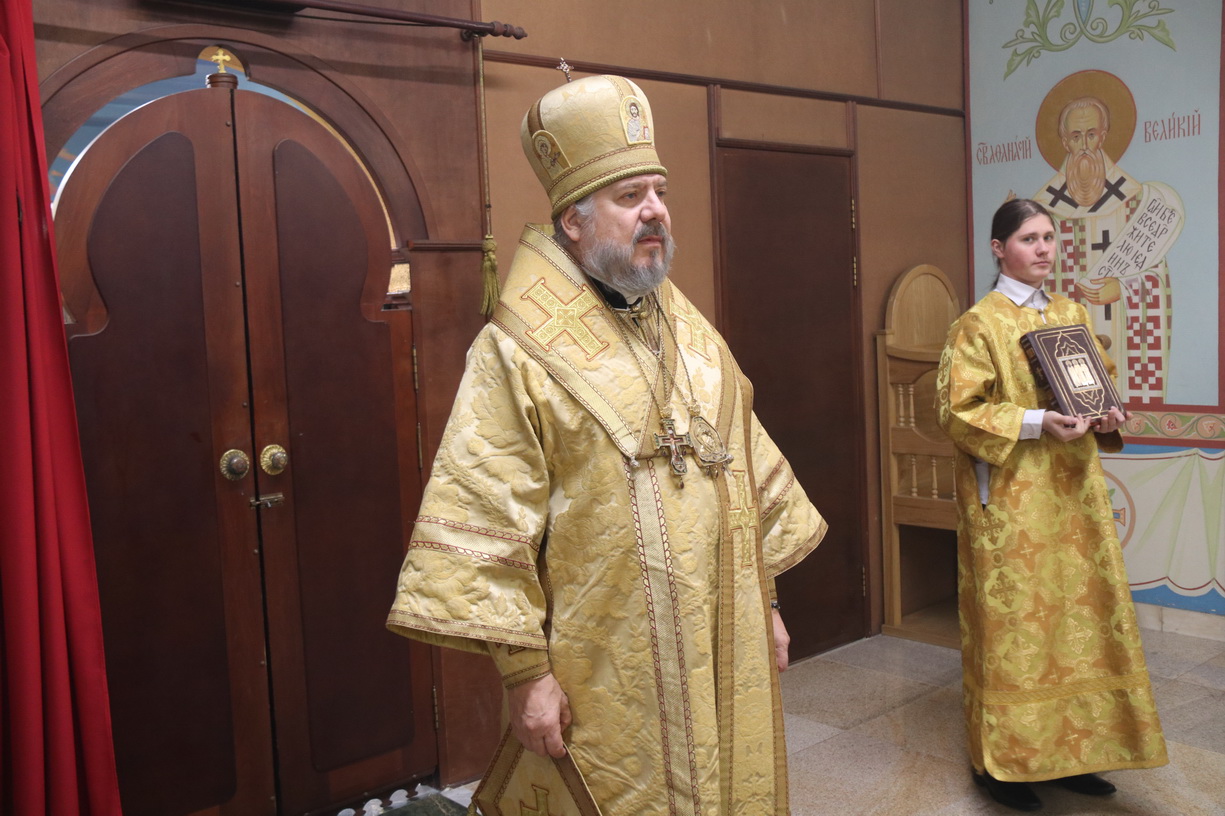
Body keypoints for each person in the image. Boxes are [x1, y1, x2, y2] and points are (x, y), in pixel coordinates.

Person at [387, 74, 826, 815]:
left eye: (659, 192)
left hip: (726, 637)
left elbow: (746, 475)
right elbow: (488, 520)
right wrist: (526, 676)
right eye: (630, 197)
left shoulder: (694, 338)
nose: (655, 210)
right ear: (573, 221)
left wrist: (769, 603)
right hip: (607, 665)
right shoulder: (516, 352)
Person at [938, 198, 1167, 812]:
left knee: (1081, 617)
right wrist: (1039, 421)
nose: (1043, 249)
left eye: (1048, 237)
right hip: (1013, 500)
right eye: (1028, 239)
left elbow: (1098, 381)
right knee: (1017, 627)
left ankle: (1077, 752)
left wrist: (1108, 410)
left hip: (1075, 492)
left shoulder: (1069, 313)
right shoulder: (978, 324)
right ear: (999, 249)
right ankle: (1002, 764)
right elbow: (958, 412)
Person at [1034, 95, 1181, 403]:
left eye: (1091, 135)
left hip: (1122, 337)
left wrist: (1124, 288)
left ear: (1103, 136)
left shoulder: (1134, 200)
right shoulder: (1044, 209)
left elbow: (1157, 273)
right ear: (1064, 141)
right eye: (1076, 137)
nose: (1085, 146)